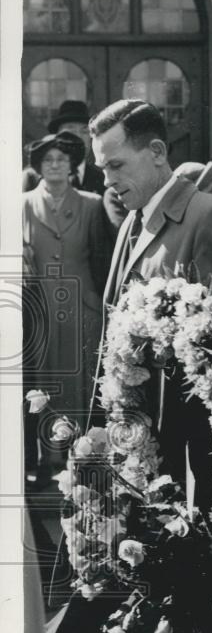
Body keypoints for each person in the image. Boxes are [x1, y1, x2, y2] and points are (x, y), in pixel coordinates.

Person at [44, 99, 212, 633]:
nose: (105, 177)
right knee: (119, 541)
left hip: (194, 431)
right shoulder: (136, 219)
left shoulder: (208, 214)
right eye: (101, 166)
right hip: (140, 425)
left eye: (116, 163)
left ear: (158, 153)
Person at [22, 131, 112, 485]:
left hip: (81, 308)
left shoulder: (91, 203)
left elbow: (102, 258)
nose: (56, 165)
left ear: (74, 165)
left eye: (62, 159)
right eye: (48, 160)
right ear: (39, 167)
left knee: (80, 382)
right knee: (45, 382)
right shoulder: (23, 204)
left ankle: (82, 456)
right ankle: (49, 461)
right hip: (41, 307)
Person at [23, 100, 105, 195]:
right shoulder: (33, 176)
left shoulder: (102, 178)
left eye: (85, 131)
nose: (79, 137)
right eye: (71, 130)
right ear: (58, 135)